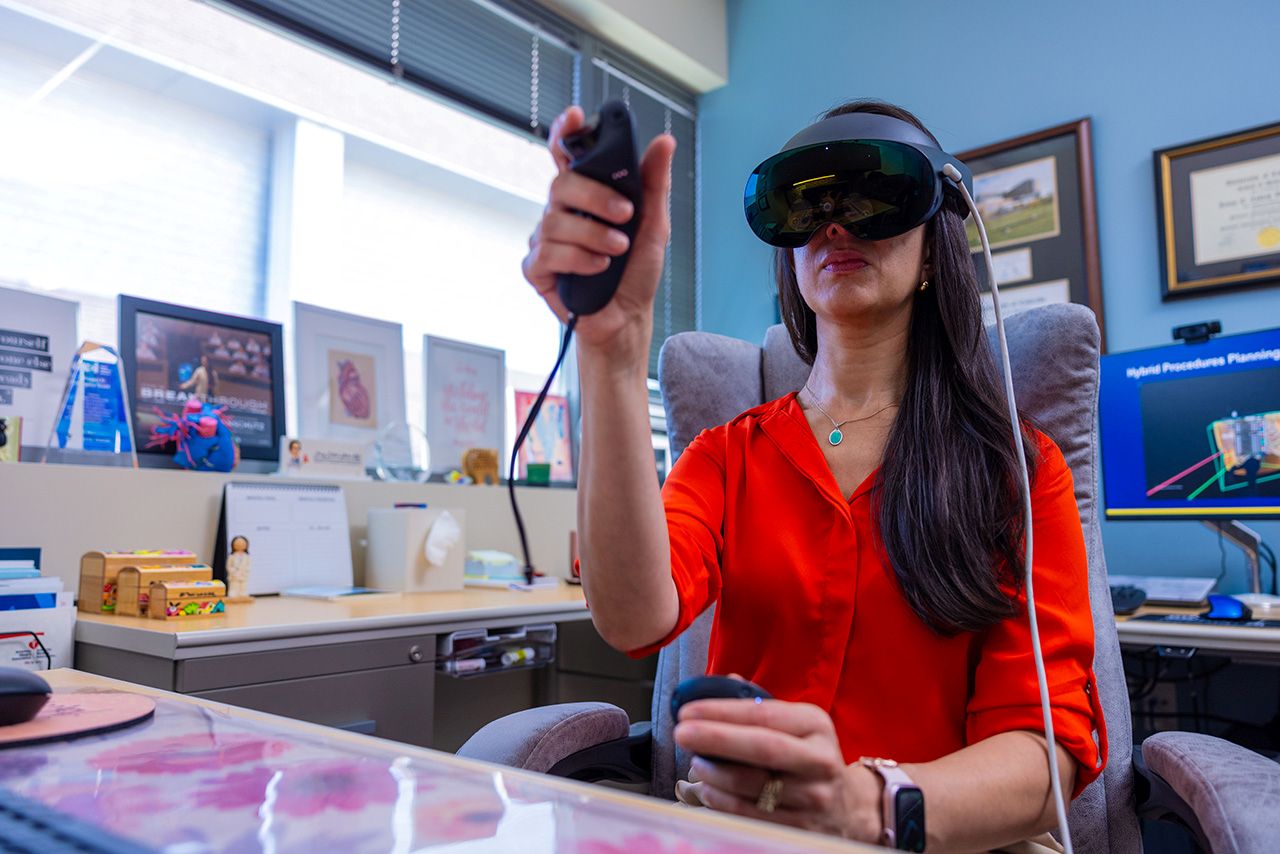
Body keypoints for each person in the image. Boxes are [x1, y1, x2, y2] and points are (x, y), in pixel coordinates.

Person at [522, 99, 1105, 852]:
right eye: (808, 206)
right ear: (789, 255)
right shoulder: (727, 456)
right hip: (747, 830)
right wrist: (613, 350)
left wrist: (864, 805)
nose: (834, 226)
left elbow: (1043, 757)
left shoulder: (1017, 471)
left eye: (874, 196)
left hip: (945, 836)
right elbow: (633, 618)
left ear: (934, 251)